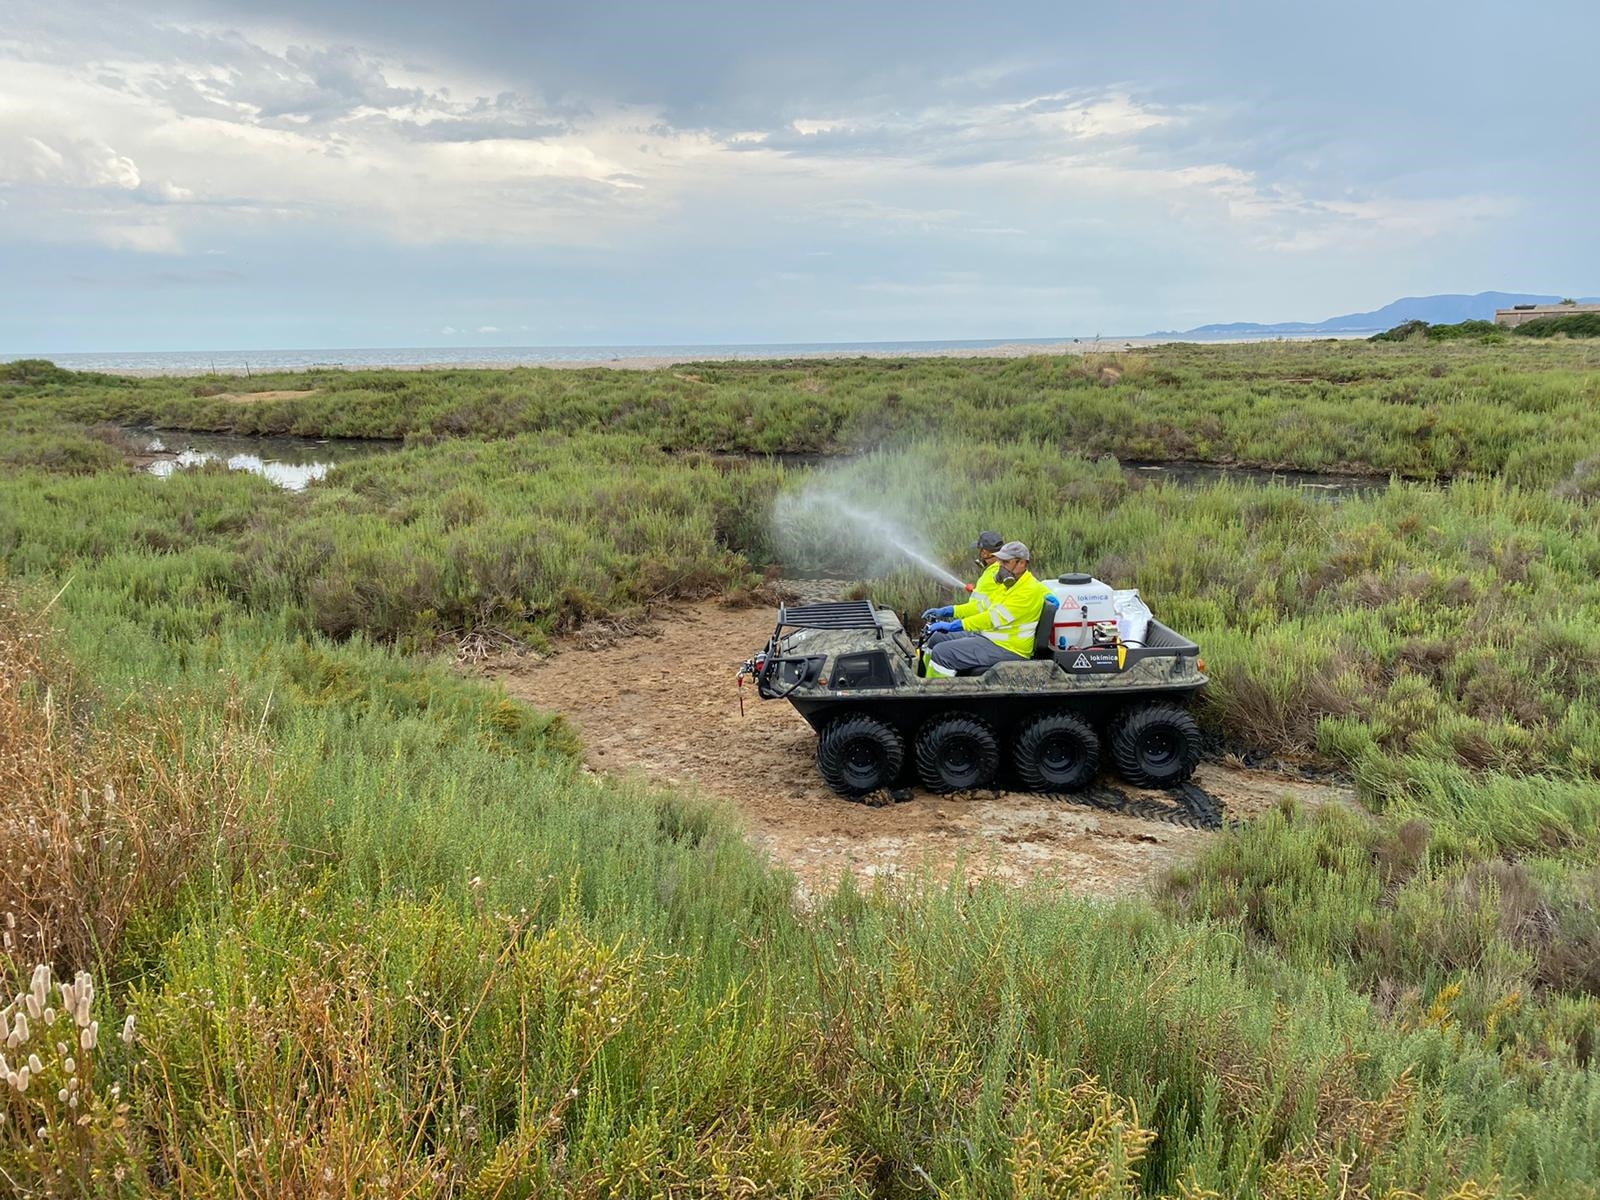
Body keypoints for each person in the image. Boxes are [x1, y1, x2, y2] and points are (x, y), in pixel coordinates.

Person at [922, 542, 1048, 678]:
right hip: (990, 637)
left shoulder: (1028, 591)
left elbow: (991, 618)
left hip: (1010, 648)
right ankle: (922, 680)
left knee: (943, 653)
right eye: (1000, 562)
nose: (1000, 567)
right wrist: (948, 611)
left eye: (1006, 562)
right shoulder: (1008, 586)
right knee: (938, 638)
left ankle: (937, 692)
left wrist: (953, 626)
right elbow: (981, 606)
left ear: (1022, 563)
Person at [920, 530, 1003, 646]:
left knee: (937, 642)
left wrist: (951, 619)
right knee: (937, 638)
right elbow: (985, 603)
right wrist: (948, 611)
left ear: (985, 553)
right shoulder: (996, 571)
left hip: (984, 630)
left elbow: (980, 608)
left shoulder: (994, 575)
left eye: (980, 551)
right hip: (980, 626)